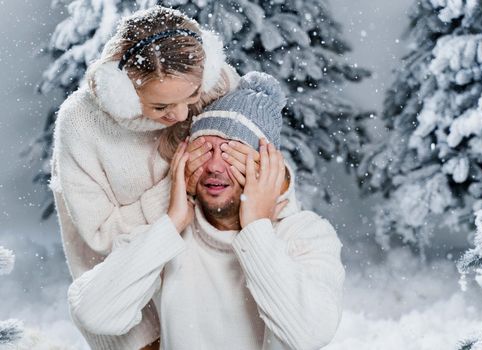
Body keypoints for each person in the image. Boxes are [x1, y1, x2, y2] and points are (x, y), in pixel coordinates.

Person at [67, 72, 345, 350]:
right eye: (204, 151)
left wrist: (256, 228)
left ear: (266, 167)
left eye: (231, 153)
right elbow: (94, 314)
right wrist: (171, 222)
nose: (213, 166)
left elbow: (310, 333)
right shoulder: (170, 235)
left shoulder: (306, 233)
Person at [50, 6, 242, 349]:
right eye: (160, 107)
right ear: (120, 90)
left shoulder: (218, 86)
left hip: (211, 290)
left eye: (191, 98)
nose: (180, 114)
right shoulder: (80, 124)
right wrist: (176, 190)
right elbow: (100, 235)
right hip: (131, 303)